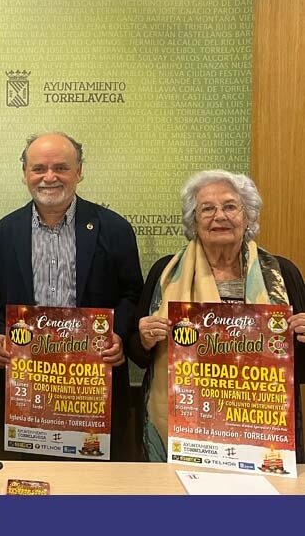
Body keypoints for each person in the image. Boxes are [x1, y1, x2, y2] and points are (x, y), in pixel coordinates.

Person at [0, 131, 143, 460]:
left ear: (79, 171)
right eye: (39, 168)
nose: (49, 177)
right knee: (29, 488)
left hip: (94, 392)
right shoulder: (2, 233)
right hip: (26, 395)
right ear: (24, 173)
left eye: (61, 168)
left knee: (93, 497)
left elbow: (133, 293)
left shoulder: (113, 229)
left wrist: (119, 334)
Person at [126, 169, 305, 462]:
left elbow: (299, 367)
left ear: (248, 217)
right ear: (193, 221)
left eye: (230, 206)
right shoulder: (165, 273)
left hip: (260, 429)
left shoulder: (282, 274)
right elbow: (138, 353)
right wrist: (144, 339)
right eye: (207, 208)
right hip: (184, 428)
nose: (219, 216)